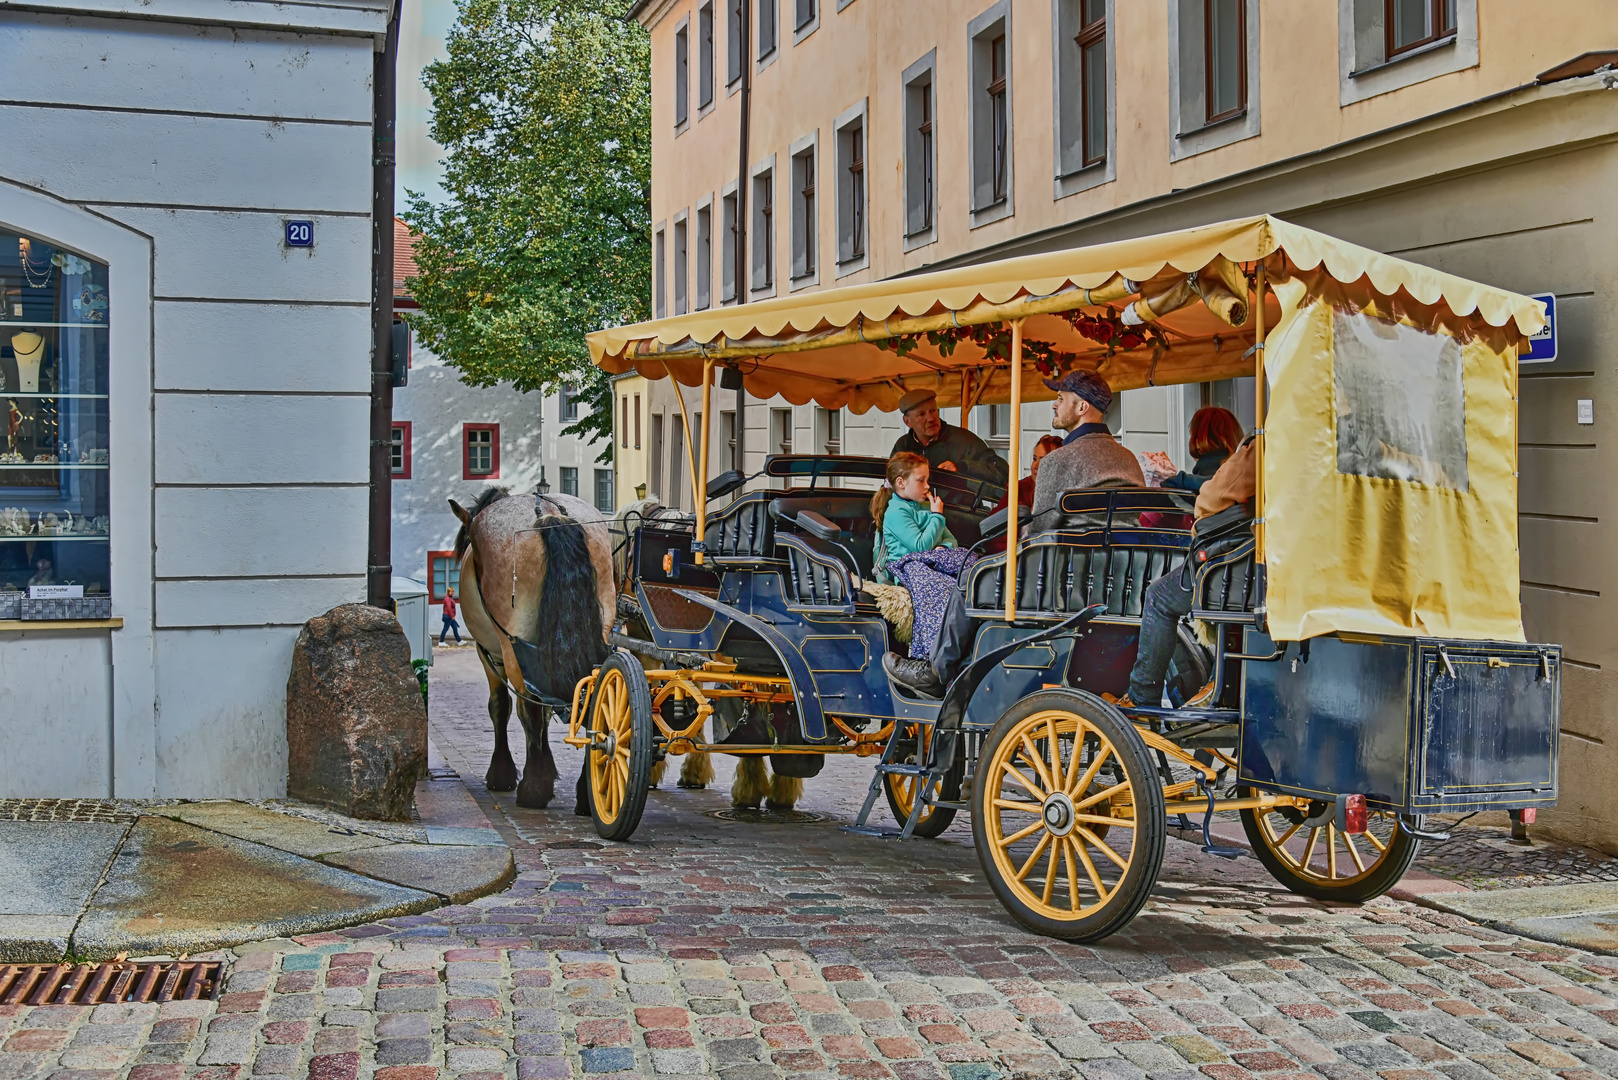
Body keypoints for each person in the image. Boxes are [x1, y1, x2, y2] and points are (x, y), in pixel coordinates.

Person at [1118, 434, 1258, 707]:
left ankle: (1142, 696)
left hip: (1239, 561)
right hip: (1254, 557)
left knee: (1159, 596)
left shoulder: (1263, 444)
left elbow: (1214, 493)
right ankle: (1222, 681)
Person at [873, 452, 978, 675]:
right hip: (908, 565)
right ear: (900, 483)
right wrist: (937, 517)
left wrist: (943, 548)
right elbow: (919, 546)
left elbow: (950, 539)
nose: (927, 486)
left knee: (972, 567)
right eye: (921, 481)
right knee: (937, 587)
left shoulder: (923, 506)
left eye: (927, 480)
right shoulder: (895, 512)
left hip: (932, 560)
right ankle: (933, 655)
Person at [1029, 371, 1144, 529]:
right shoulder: (1129, 458)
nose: (1054, 405)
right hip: (1128, 551)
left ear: (1082, 407)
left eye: (1061, 399)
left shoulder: (1057, 460)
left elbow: (1039, 529)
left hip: (1071, 551)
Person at [889, 389, 1009, 487]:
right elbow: (890, 482)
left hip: (960, 513)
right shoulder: (903, 445)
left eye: (933, 411)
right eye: (921, 414)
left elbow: (1002, 471)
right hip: (914, 513)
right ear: (907, 422)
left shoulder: (964, 440)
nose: (931, 418)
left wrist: (962, 467)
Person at [1162, 406, 1243, 494]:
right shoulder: (1241, 469)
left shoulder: (1211, 473)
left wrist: (1179, 481)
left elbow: (1215, 483)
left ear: (1201, 439)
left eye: (1192, 435)